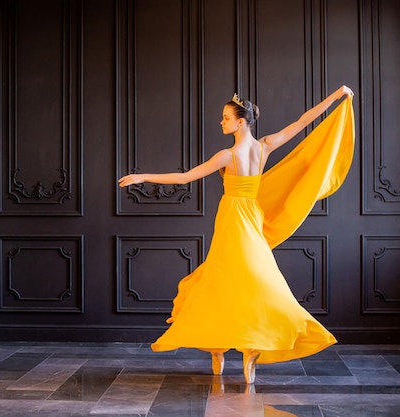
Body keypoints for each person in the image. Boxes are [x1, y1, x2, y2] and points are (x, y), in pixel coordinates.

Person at [118, 86, 355, 384]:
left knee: (222, 282)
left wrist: (143, 175)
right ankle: (242, 348)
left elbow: (185, 177)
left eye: (225, 118)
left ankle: (221, 348)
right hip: (251, 216)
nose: (222, 122)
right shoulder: (265, 146)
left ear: (240, 122)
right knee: (251, 282)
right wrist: (336, 97)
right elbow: (302, 122)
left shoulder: (228, 155)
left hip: (233, 218)